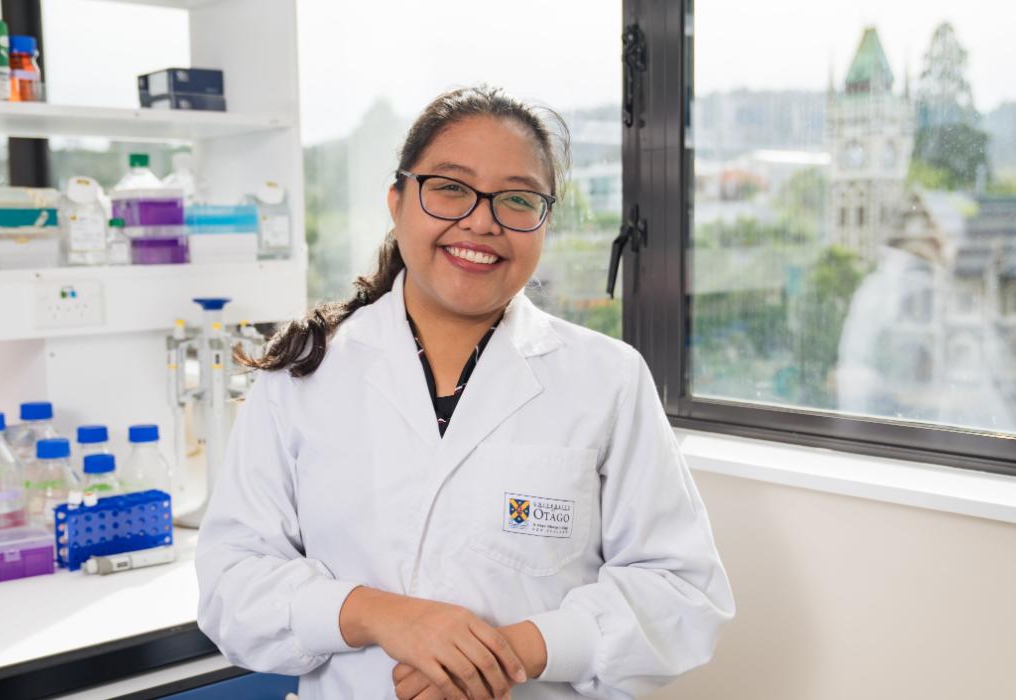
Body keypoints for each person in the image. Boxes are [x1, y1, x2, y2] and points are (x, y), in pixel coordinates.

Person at [196, 86, 735, 700]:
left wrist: (507, 655)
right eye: (451, 188)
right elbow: (230, 586)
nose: (482, 221)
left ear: (544, 222)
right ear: (398, 201)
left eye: (517, 199)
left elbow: (682, 592)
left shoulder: (607, 378)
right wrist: (380, 614)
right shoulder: (302, 374)